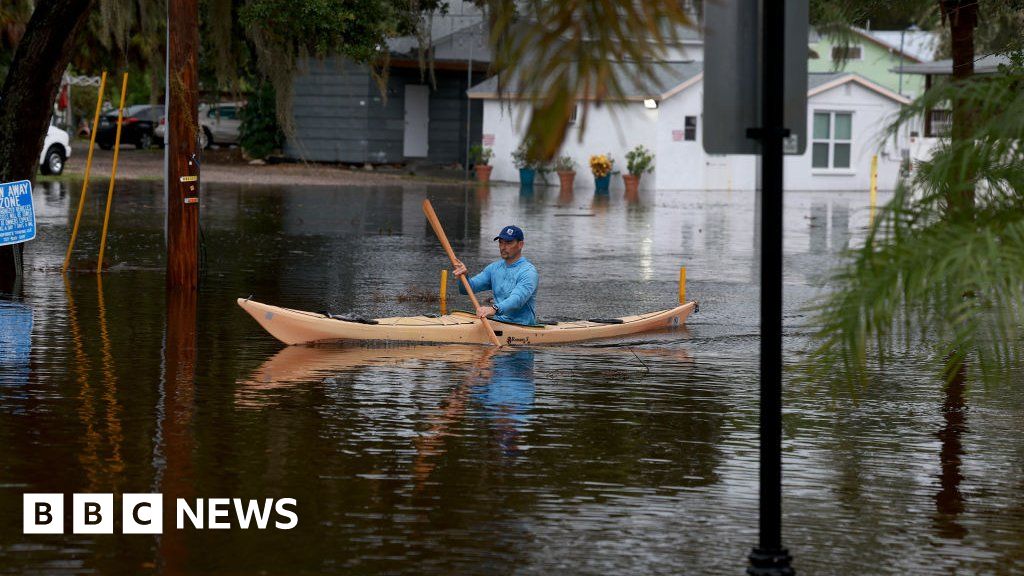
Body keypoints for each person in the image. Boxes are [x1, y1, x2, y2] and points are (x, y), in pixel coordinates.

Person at [452, 225, 538, 325]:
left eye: (508, 243)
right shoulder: (494, 268)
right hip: (497, 323)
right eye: (501, 242)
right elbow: (466, 290)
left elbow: (517, 300)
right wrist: (463, 276)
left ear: (520, 244)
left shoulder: (528, 272)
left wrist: (494, 309)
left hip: (522, 326)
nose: (503, 247)